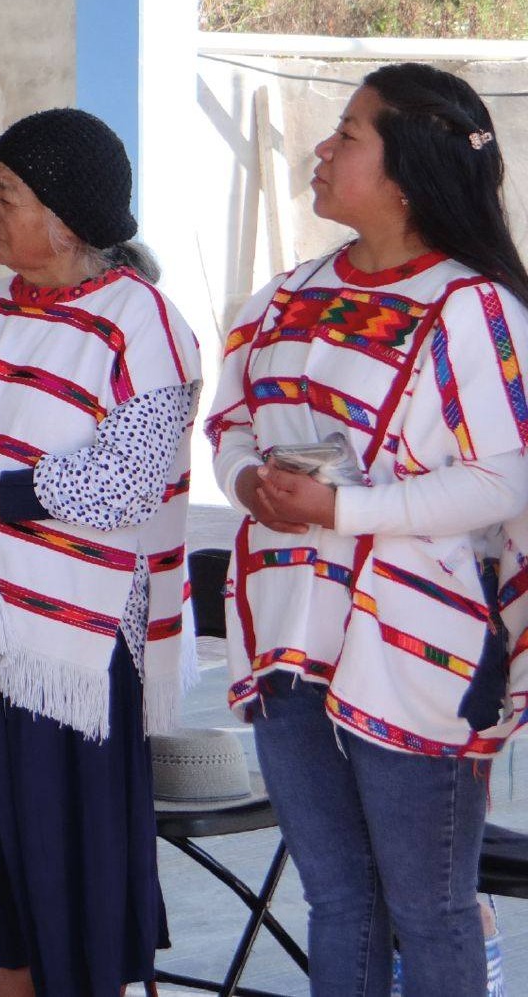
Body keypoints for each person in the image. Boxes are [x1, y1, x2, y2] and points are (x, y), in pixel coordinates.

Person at [209, 62, 528, 996]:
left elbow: (506, 476)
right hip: (287, 628)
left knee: (429, 906)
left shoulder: (475, 309)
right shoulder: (286, 294)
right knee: (339, 902)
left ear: (405, 172)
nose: (321, 147)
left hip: (418, 643)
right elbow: (228, 420)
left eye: (347, 134)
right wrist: (244, 481)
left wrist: (347, 511)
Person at [0, 108, 199, 996]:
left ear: (68, 217)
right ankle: (14, 979)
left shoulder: (139, 320)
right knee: (4, 834)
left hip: (75, 646)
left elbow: (126, 481)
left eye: (6, 193)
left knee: (75, 848)